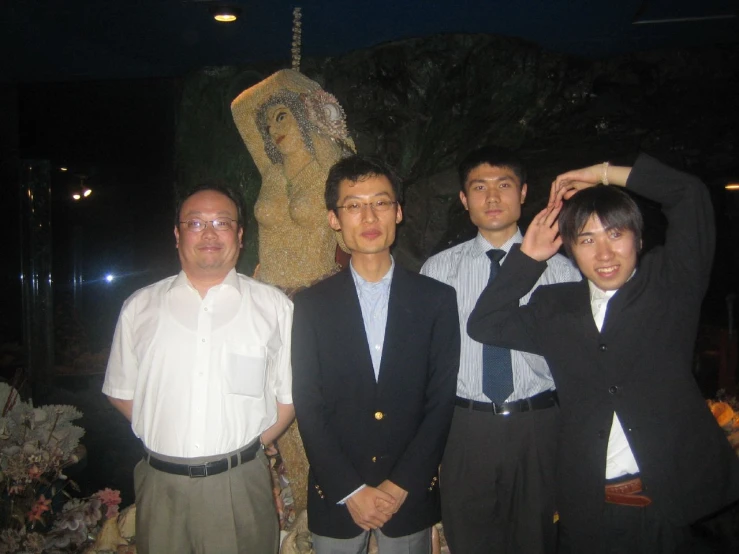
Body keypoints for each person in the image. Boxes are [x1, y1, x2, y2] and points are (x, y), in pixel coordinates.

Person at [468, 154, 739, 552]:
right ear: (572, 250)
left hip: (676, 507)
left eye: (615, 234)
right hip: (591, 511)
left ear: (639, 239)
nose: (605, 254)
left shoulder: (669, 287)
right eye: (588, 240)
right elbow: (485, 324)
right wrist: (526, 259)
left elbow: (689, 194)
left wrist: (603, 174)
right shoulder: (554, 307)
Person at [102, 184, 294, 554]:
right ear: (177, 234)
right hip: (161, 486)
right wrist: (170, 431)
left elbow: (288, 398)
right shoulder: (140, 307)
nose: (209, 233)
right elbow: (121, 392)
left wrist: (243, 450)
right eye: (195, 223)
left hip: (240, 485)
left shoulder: (274, 308)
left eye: (222, 222)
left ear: (240, 235)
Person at [291, 155, 461, 553]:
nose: (369, 216)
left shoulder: (435, 300)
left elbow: (440, 402)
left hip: (408, 493)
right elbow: (308, 403)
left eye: (381, 202)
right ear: (335, 219)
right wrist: (349, 489)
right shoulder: (312, 305)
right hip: (336, 493)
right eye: (353, 205)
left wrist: (403, 483)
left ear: (398, 212)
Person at [420, 146, 580, 554]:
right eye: (479, 187)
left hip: (538, 424)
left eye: (504, 185)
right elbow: (426, 361)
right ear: (464, 199)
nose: (492, 198)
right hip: (463, 428)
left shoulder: (562, 271)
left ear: (524, 193)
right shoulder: (438, 271)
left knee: (536, 539)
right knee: (468, 539)